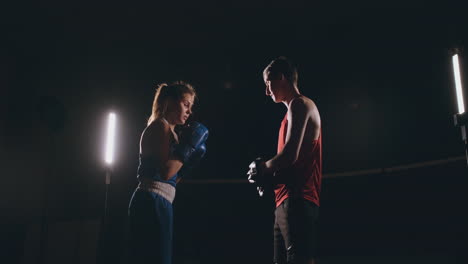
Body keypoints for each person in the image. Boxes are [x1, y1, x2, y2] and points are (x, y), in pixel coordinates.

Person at [247, 57, 322, 264]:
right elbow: (290, 163)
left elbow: (289, 156)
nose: (266, 91)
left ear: (281, 78)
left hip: (298, 198)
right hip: (285, 200)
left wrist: (262, 167)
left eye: (268, 83)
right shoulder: (289, 114)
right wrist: (269, 175)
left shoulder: (301, 104)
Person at [128, 81, 208, 264]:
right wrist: (188, 148)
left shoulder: (173, 133)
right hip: (151, 200)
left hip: (161, 200)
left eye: (191, 107)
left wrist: (187, 165)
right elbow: (165, 173)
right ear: (170, 102)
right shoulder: (160, 126)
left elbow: (172, 179)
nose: (189, 111)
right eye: (186, 104)